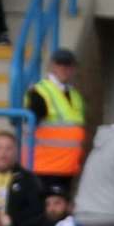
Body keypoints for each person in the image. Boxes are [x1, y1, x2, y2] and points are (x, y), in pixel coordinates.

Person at [26, 49, 86, 195]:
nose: (65, 68)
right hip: (45, 169)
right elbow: (29, 125)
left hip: (67, 169)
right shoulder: (40, 92)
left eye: (69, 65)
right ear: (52, 66)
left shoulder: (75, 96)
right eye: (61, 64)